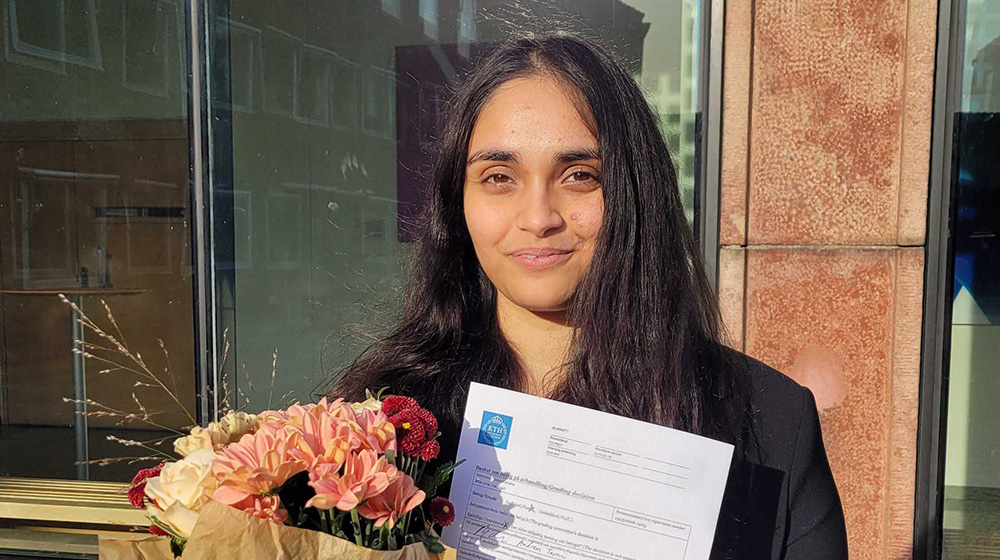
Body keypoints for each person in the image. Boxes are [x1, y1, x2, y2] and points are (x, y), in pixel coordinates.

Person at [334, 34, 848, 559]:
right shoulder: (380, 420)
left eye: (580, 176)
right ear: (456, 201)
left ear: (634, 191)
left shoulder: (768, 421)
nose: (538, 218)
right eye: (498, 177)